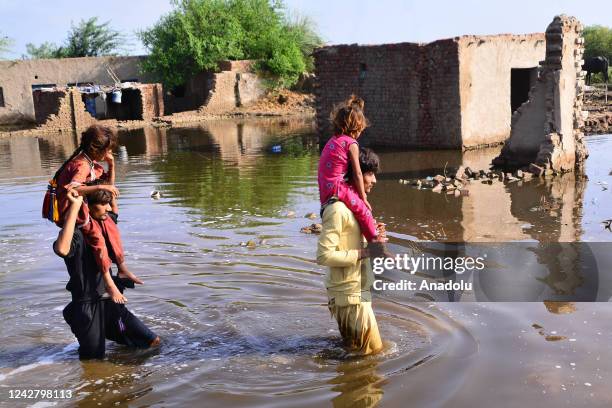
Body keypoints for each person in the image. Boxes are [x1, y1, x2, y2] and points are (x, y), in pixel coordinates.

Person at [53, 187, 159, 359]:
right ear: (88, 207)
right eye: (103, 204)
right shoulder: (77, 234)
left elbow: (113, 206)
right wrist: (75, 206)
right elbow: (62, 249)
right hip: (88, 306)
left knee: (152, 341)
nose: (109, 208)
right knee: (94, 361)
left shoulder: (104, 223)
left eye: (108, 203)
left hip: (110, 303)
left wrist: (111, 164)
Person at [43, 125, 141, 304]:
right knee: (96, 238)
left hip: (85, 207)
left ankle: (121, 266)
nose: (109, 153)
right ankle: (108, 282)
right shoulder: (81, 165)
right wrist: (100, 186)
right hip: (73, 210)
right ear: (96, 149)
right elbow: (73, 189)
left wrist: (111, 165)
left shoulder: (91, 163)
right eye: (108, 150)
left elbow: (108, 192)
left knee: (110, 225)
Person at [317, 147, 389, 355]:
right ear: (354, 175)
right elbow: (324, 256)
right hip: (349, 296)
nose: (374, 180)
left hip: (355, 292)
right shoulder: (338, 210)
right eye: (369, 173)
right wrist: (365, 253)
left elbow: (349, 243)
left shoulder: (353, 208)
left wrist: (373, 239)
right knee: (373, 355)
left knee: (357, 354)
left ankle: (346, 383)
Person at [318, 95, 380, 242]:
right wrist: (364, 198)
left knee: (356, 205)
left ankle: (371, 231)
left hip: (325, 188)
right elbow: (358, 173)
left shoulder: (333, 140)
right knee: (364, 210)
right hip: (336, 187)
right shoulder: (351, 143)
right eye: (361, 129)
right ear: (357, 127)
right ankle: (376, 241)